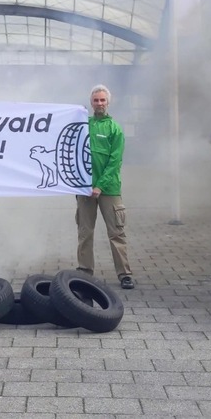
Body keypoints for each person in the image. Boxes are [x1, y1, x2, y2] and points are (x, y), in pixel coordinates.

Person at [75, 84, 135, 289]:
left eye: (102, 100)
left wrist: (100, 185)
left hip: (109, 189)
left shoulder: (115, 129)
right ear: (91, 103)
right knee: (85, 232)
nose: (99, 103)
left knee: (116, 232)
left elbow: (115, 161)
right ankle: (84, 270)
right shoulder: (83, 124)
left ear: (108, 102)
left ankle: (125, 273)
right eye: (95, 100)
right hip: (84, 189)